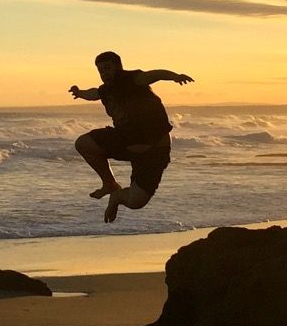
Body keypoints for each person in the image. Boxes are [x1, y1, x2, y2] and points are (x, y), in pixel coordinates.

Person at [69, 51, 194, 223]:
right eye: (100, 70)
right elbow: (94, 93)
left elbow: (154, 75)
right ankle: (109, 184)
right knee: (83, 143)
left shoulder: (133, 80)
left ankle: (117, 197)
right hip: (125, 140)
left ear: (118, 67)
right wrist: (79, 92)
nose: (104, 73)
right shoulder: (106, 90)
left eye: (107, 68)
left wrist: (174, 76)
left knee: (136, 202)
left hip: (154, 149)